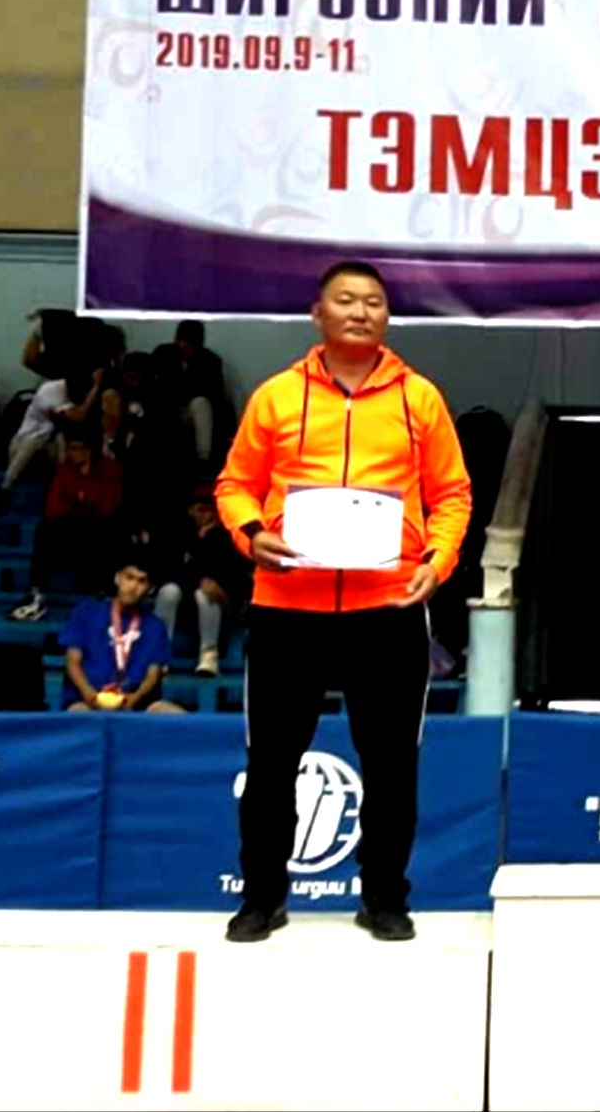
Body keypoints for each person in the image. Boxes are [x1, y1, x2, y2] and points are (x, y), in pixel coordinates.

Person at [215, 260, 471, 943]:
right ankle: (261, 898)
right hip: (287, 603)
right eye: (346, 300)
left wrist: (437, 562)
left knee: (391, 764)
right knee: (271, 762)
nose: (360, 311)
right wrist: (250, 534)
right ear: (318, 313)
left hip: (388, 606)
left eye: (374, 302)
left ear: (388, 317)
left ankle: (385, 897)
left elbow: (453, 494)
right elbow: (234, 485)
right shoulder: (276, 396)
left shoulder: (419, 399)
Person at [10, 431, 125, 620]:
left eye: (78, 449)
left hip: (100, 528)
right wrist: (83, 504)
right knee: (45, 529)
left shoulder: (110, 470)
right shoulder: (64, 470)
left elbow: (108, 506)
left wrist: (80, 501)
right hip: (71, 526)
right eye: (70, 448)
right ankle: (37, 594)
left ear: (90, 450)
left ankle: (105, 593)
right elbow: (53, 508)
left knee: (110, 532)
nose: (73, 453)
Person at [61, 553, 184, 713]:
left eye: (141, 581)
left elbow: (153, 674)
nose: (133, 587)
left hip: (138, 705)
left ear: (151, 589)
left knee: (177, 716)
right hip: (86, 700)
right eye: (129, 578)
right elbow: (72, 660)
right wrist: (88, 693)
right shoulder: (86, 612)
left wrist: (135, 698)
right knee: (79, 713)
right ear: (117, 578)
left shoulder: (156, 627)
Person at [154, 491, 250, 677]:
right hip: (183, 600)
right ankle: (159, 654)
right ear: (190, 511)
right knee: (169, 591)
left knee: (205, 595)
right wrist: (198, 577)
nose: (207, 514)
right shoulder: (178, 535)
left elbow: (226, 573)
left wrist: (209, 536)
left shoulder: (225, 538)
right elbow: (173, 570)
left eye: (210, 510)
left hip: (216, 605)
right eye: (201, 510)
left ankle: (208, 654)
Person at [0, 368, 103, 512]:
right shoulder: (49, 391)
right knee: (34, 442)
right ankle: (5, 488)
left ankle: (64, 496)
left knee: (65, 445)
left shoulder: (80, 395)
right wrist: (96, 387)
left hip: (50, 451)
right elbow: (78, 416)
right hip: (22, 446)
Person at [152, 319, 233, 465]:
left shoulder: (210, 361)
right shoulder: (163, 354)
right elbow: (157, 385)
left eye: (189, 344)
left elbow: (212, 393)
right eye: (181, 342)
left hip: (192, 407)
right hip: (168, 405)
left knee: (200, 404)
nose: (184, 347)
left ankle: (203, 458)